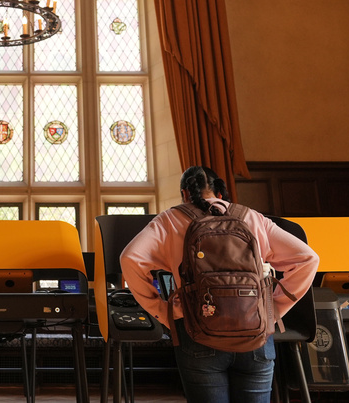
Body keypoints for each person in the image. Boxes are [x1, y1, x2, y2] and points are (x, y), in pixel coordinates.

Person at [120, 166, 319, 403]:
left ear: (185, 193)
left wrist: (161, 310)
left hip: (196, 330)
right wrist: (274, 308)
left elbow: (130, 258)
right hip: (255, 332)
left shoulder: (169, 220)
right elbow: (308, 259)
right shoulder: (251, 217)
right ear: (220, 193)